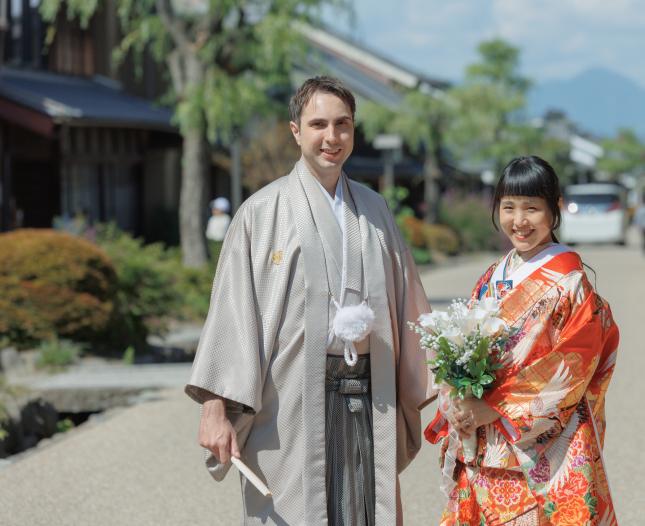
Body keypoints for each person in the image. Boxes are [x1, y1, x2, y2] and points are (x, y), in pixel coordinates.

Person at [186, 76, 435, 525]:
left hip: (370, 394)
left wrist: (449, 377)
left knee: (366, 509)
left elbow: (410, 305)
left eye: (343, 124)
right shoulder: (261, 212)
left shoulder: (376, 210)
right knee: (293, 508)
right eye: (318, 124)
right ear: (296, 131)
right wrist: (215, 407)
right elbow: (232, 315)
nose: (331, 136)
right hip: (290, 400)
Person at [425, 156, 620, 526]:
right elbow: (463, 347)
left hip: (539, 442)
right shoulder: (492, 276)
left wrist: (498, 407)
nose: (519, 221)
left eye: (532, 208)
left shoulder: (570, 282)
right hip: (484, 438)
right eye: (508, 207)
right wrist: (460, 403)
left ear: (555, 208)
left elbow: (576, 363)